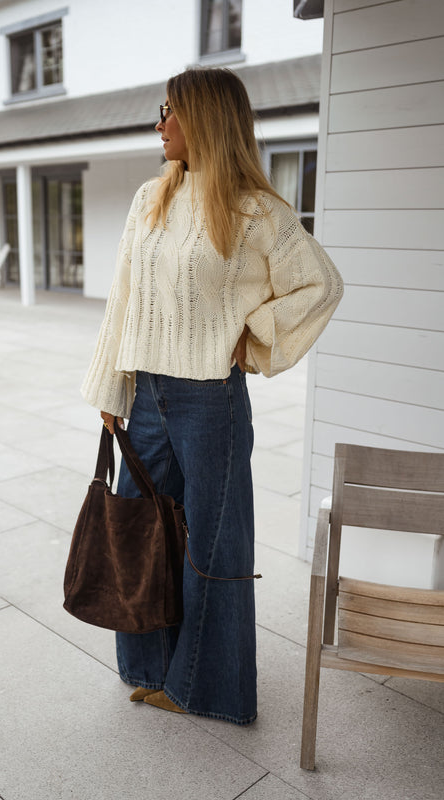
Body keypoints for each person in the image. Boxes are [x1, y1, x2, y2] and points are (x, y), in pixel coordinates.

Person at [81, 67, 343, 725]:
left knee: (214, 546)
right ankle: (149, 668)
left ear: (204, 119)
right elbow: (123, 299)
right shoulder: (150, 197)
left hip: (209, 403)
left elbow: (320, 285)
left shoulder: (257, 212)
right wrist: (112, 385)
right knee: (144, 532)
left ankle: (205, 688)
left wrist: (250, 338)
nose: (160, 123)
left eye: (170, 110)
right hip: (147, 395)